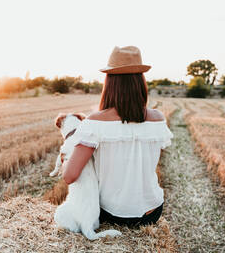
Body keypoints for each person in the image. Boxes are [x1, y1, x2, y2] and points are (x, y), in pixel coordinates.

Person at [62, 45, 173, 227]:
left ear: (110, 83)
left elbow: (70, 176)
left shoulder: (95, 122)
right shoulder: (158, 119)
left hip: (113, 214)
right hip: (153, 211)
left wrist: (66, 157)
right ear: (140, 82)